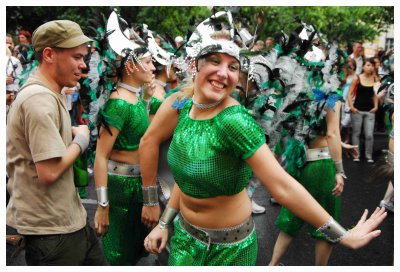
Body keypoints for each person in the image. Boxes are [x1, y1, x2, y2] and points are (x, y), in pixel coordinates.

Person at [139, 11, 386, 266]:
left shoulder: (234, 120)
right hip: (184, 241)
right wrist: (164, 223)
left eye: (233, 66)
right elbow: (188, 178)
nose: (224, 73)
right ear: (195, 65)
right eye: (214, 61)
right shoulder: (181, 107)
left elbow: (282, 185)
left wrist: (342, 235)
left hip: (229, 252)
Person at [6, 20, 107, 265]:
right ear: (49, 54)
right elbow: (49, 172)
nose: (83, 65)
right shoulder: (39, 99)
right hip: (52, 231)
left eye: (84, 58)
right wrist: (81, 141)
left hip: (67, 220)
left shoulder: (48, 94)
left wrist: (67, 132)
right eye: (76, 57)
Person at [93, 11, 156, 265]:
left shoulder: (136, 98)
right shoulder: (119, 103)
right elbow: (100, 156)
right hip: (120, 188)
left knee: (134, 250)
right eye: (149, 62)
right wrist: (102, 206)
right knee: (120, 255)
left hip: (138, 185)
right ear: (130, 66)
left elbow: (142, 136)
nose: (154, 67)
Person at [347, 58, 379, 162]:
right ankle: (356, 154)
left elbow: (375, 95)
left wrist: (376, 106)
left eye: (372, 65)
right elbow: (349, 93)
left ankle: (368, 155)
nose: (370, 67)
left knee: (369, 135)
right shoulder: (357, 78)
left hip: (370, 111)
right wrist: (352, 107)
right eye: (368, 65)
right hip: (357, 110)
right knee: (356, 133)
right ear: (363, 67)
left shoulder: (375, 79)